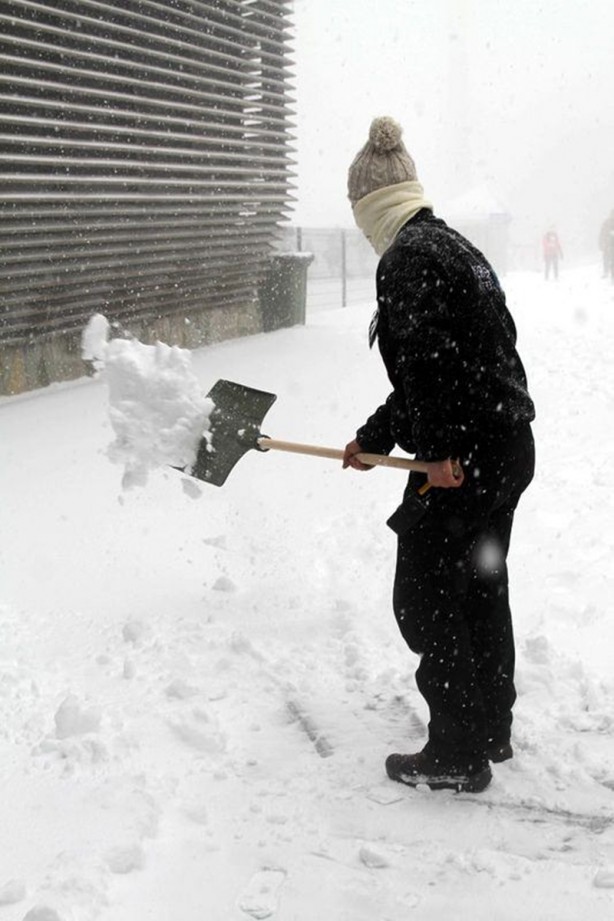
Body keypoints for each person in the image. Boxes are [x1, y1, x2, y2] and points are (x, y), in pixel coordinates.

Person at [342, 117, 536, 794]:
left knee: (424, 596)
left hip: (469, 453)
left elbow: (432, 368)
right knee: (479, 584)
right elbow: (450, 366)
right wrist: (374, 439)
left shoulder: (408, 259)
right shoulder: (450, 245)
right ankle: (488, 726)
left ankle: (457, 747)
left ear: (368, 208)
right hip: (505, 444)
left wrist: (445, 453)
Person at [598, 210, 614, 279]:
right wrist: (601, 243)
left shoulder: (606, 223)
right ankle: (606, 272)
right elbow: (602, 234)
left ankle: (607, 272)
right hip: (608, 245)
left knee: (609, 259)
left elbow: (602, 234)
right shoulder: (606, 223)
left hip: (608, 246)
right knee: (607, 259)